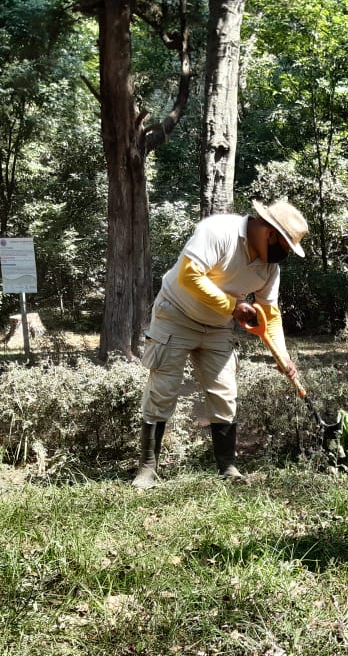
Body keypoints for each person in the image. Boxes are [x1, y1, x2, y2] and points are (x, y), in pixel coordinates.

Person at [131, 199, 309, 490]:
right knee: (162, 391)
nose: (283, 256)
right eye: (285, 247)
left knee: (225, 394)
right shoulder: (217, 231)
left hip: (217, 327)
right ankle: (147, 468)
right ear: (270, 233)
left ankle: (227, 466)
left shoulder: (269, 269)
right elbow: (189, 276)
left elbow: (270, 314)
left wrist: (283, 357)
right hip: (175, 315)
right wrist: (232, 306)